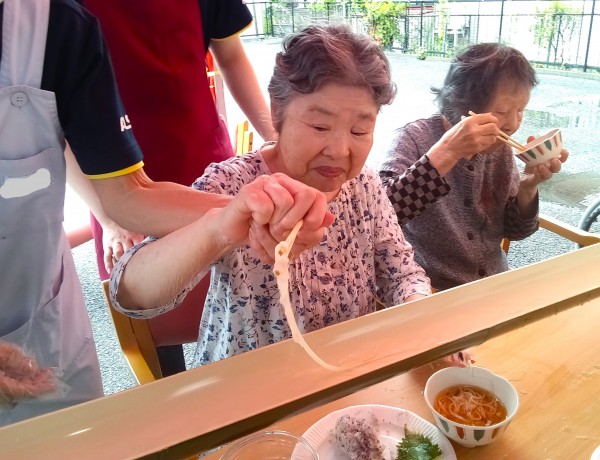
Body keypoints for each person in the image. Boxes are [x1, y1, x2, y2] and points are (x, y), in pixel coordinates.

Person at [0, 0, 330, 425]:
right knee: (152, 310)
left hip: (185, 172)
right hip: (119, 196)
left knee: (233, 301)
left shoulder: (55, 22)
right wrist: (110, 217)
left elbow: (129, 191)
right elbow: (66, 139)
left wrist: (258, 194)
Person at [109, 25, 432, 367]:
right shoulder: (232, 184)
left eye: (359, 131)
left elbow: (402, 273)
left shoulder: (364, 185)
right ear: (277, 112)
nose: (339, 150)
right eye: (320, 127)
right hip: (246, 379)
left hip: (346, 372)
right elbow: (131, 295)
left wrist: (419, 309)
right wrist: (218, 229)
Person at [81, 0, 277, 375]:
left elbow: (231, 56)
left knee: (240, 306)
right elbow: (59, 118)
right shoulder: (61, 14)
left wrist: (279, 142)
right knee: (152, 317)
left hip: (211, 169)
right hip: (117, 188)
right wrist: (109, 218)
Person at [379, 43, 568, 292]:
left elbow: (517, 231)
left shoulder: (501, 150)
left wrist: (528, 187)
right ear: (462, 103)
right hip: (429, 290)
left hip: (494, 286)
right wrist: (448, 152)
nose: (512, 124)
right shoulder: (413, 138)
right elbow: (381, 217)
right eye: (502, 111)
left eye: (521, 111)